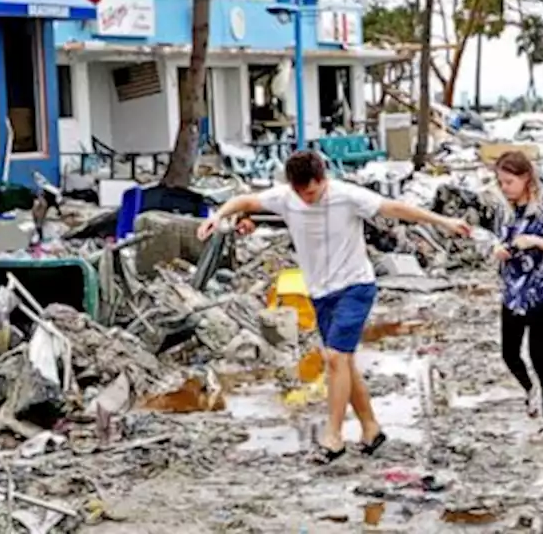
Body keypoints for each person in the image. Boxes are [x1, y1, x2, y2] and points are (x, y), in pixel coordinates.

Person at [197, 150, 471, 463]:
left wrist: (443, 221)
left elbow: (395, 208)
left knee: (335, 357)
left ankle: (333, 436)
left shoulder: (348, 195)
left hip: (355, 286)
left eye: (311, 192)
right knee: (344, 364)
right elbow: (244, 201)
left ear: (323, 180)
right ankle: (371, 428)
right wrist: (217, 217)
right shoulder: (287, 198)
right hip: (320, 292)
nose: (306, 199)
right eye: (300, 193)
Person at [490, 150, 543, 432]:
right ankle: (529, 389)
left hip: (540, 291)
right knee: (509, 353)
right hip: (512, 291)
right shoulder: (504, 210)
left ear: (526, 178)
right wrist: (499, 250)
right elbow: (498, 241)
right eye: (501, 182)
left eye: (509, 182)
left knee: (539, 355)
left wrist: (534, 241)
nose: (504, 188)